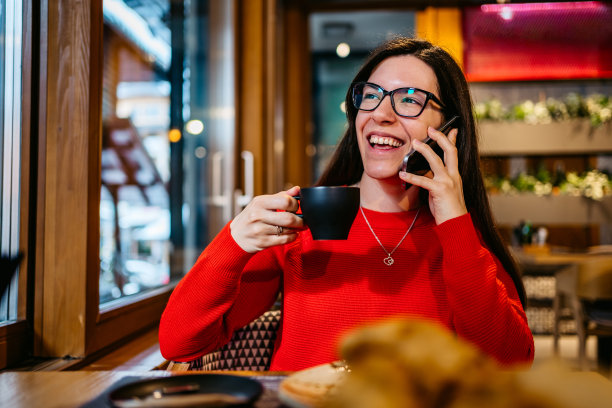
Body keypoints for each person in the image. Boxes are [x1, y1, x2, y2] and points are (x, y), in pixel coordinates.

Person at [159, 37, 534, 371]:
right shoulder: (304, 223)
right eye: (371, 95)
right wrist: (234, 241)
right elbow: (180, 343)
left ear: (449, 128)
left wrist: (455, 222)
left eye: (409, 101)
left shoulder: (460, 240)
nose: (381, 114)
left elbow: (510, 363)